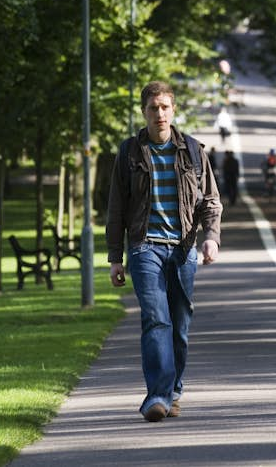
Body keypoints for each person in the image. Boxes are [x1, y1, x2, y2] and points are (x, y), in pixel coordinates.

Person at [106, 81, 222, 422]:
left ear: (173, 110)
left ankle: (174, 391)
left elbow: (211, 201)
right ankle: (157, 396)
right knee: (156, 319)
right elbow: (116, 210)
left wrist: (211, 237)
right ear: (144, 112)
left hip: (184, 249)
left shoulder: (193, 151)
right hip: (145, 247)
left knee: (179, 325)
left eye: (165, 107)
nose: (160, 113)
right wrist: (116, 258)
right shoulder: (129, 153)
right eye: (153, 108)